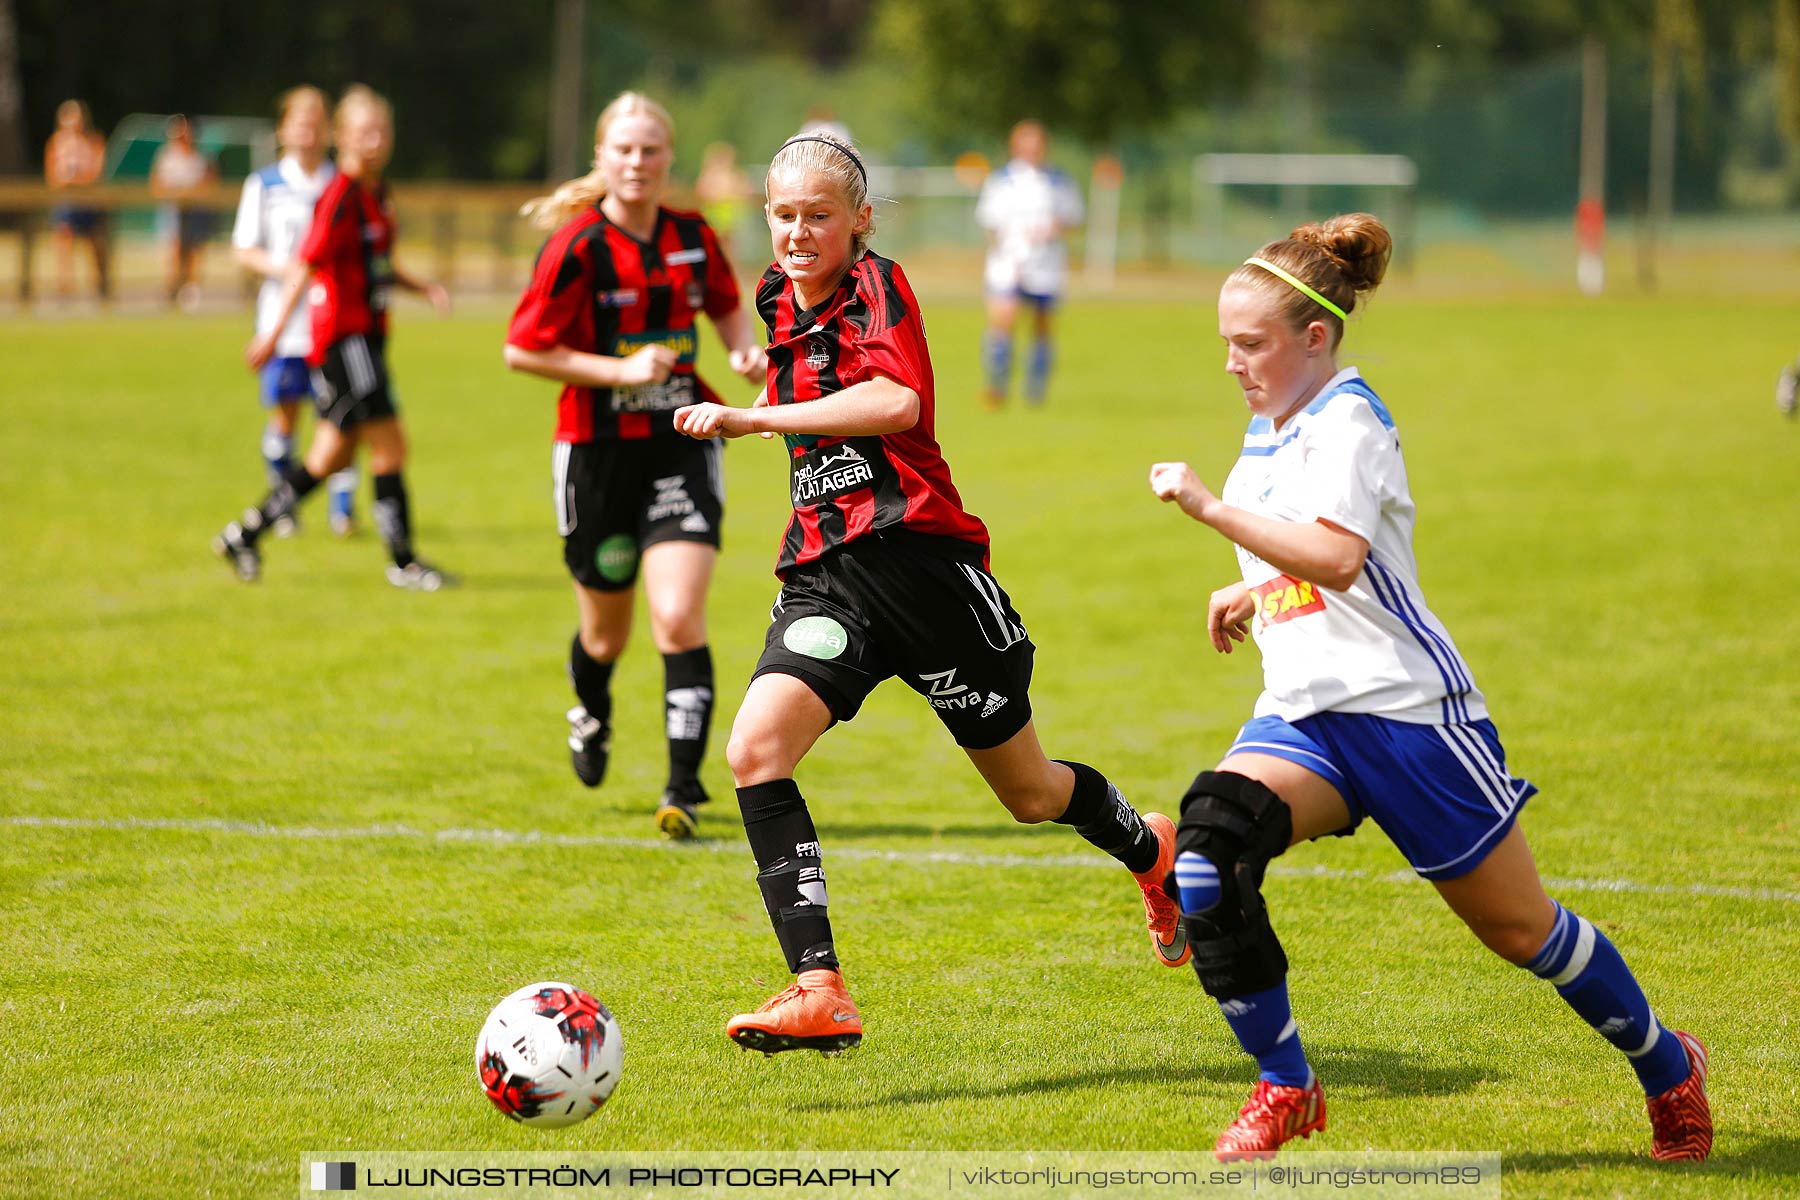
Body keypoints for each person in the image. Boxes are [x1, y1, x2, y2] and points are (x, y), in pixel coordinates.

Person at [1146, 213, 1712, 1162]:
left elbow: (1336, 554)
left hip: (1412, 720)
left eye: (1251, 344)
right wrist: (1249, 587)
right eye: (1225, 344)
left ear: (1315, 337)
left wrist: (1210, 509)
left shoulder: (1351, 420)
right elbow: (1317, 561)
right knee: (1207, 851)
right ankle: (1286, 1083)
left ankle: (1667, 1065)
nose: (1234, 363)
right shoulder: (1268, 427)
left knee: (1522, 930)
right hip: (1306, 721)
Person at [670, 131, 1186, 1057]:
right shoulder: (773, 299)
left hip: (924, 572)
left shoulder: (880, 284)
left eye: (818, 216)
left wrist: (758, 413)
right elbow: (811, 378)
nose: (797, 232)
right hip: (829, 577)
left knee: (1029, 794)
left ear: (859, 222)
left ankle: (1150, 849)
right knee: (754, 749)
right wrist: (762, 376)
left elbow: (896, 402)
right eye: (783, 214)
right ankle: (818, 987)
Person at [503, 92, 765, 838]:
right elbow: (522, 349)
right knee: (606, 637)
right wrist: (619, 373)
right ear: (601, 157)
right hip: (595, 457)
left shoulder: (690, 235)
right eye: (624, 149)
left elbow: (724, 304)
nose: (638, 162)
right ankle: (592, 708)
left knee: (678, 615)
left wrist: (742, 349)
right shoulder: (577, 247)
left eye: (650, 150)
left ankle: (682, 788)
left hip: (681, 439)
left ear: (668, 158)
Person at [214, 85, 452, 591]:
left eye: (382, 130)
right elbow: (305, 264)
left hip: (368, 340)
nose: (376, 140)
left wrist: (421, 287)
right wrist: (274, 333)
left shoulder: (376, 192)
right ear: (341, 136)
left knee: (329, 458)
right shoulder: (340, 196)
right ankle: (404, 562)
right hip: (347, 345)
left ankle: (244, 535)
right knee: (390, 445)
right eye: (364, 131)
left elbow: (378, 266)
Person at [230, 86, 359, 539]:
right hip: (283, 327)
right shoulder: (265, 184)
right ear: (283, 128)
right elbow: (244, 249)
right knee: (286, 417)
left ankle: (343, 511)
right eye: (299, 121)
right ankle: (283, 505)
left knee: (342, 418)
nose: (307, 129)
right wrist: (289, 269)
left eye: (317, 120)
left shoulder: (340, 183)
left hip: (334, 324)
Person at [975, 120, 1083, 409]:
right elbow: (990, 222)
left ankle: (1036, 390)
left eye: (1036, 143)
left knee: (1042, 326)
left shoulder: (1059, 181)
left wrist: (1054, 229)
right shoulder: (1002, 180)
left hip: (1045, 265)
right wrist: (1007, 252)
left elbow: (1073, 218)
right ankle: (996, 386)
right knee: (1003, 321)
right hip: (1008, 265)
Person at [44, 99, 110, 301]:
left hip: (88, 202)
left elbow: (98, 173)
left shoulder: (94, 141)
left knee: (95, 244)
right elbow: (52, 175)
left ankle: (101, 289)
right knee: (64, 243)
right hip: (66, 202)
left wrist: (78, 182)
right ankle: (65, 288)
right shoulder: (57, 142)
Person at [150, 114, 218, 309]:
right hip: (173, 208)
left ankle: (191, 290)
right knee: (173, 248)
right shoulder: (166, 156)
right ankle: (172, 288)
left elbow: (211, 182)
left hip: (196, 209)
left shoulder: (202, 157)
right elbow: (156, 183)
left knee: (195, 249)